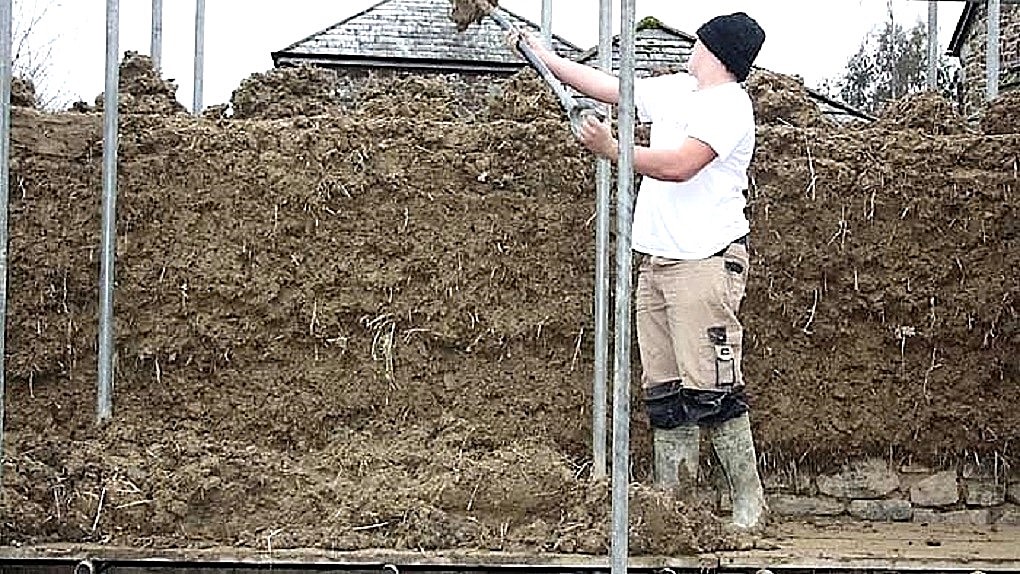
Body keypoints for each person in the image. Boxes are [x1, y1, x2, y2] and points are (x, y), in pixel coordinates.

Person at [518, 13, 767, 529]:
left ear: (717, 51)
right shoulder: (680, 90)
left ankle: (749, 504)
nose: (692, 45)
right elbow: (610, 88)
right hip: (656, 262)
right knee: (665, 391)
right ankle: (674, 507)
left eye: (701, 40)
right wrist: (541, 53)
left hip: (704, 260)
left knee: (713, 386)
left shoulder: (729, 107)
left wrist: (613, 150)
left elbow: (681, 165)